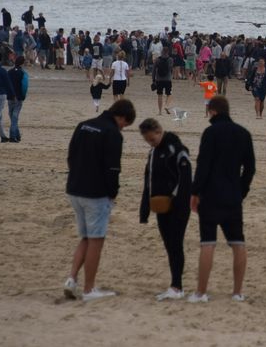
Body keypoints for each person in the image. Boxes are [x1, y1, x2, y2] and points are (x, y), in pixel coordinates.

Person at [63, 99, 136, 302]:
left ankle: (72, 279)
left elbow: (71, 156)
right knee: (96, 240)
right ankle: (89, 289)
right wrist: (113, 194)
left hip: (74, 188)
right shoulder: (112, 133)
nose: (123, 128)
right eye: (125, 124)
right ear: (121, 117)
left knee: (86, 237)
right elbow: (113, 169)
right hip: (95, 194)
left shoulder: (83, 125)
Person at [190, 96, 255, 303]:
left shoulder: (210, 133)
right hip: (232, 195)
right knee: (238, 243)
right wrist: (242, 189)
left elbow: (203, 165)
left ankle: (201, 292)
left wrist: (195, 192)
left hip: (210, 195)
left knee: (207, 243)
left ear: (213, 111)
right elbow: (250, 168)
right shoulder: (243, 133)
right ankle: (237, 292)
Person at [138, 118, 193, 301]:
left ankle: (177, 287)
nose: (150, 143)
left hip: (178, 208)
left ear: (159, 131)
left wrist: (177, 202)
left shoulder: (176, 150)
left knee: (176, 245)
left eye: (152, 139)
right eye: (147, 141)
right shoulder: (153, 153)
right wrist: (144, 209)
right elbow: (149, 181)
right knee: (169, 246)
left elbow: (186, 179)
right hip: (160, 207)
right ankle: (175, 285)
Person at [7, 56, 29, 143]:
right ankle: (12, 135)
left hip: (10, 97)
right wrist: (23, 96)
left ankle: (17, 134)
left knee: (12, 116)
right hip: (18, 97)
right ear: (22, 63)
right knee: (15, 117)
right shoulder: (23, 73)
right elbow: (24, 86)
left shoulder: (9, 72)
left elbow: (6, 84)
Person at [153, 49, 174, 115]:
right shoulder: (170, 59)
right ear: (168, 53)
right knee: (169, 94)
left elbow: (154, 70)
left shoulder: (157, 59)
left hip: (159, 79)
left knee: (160, 95)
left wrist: (153, 79)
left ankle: (160, 111)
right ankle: (166, 106)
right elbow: (171, 69)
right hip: (167, 79)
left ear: (161, 52)